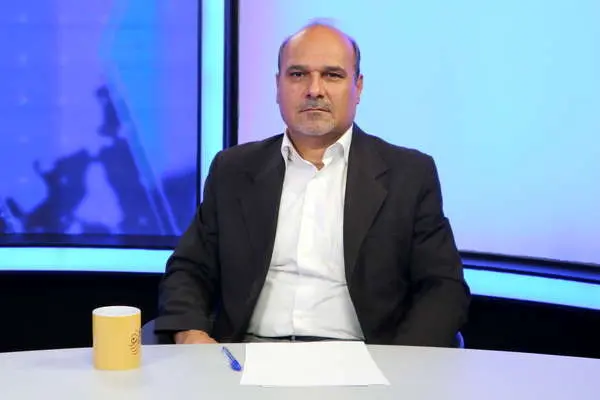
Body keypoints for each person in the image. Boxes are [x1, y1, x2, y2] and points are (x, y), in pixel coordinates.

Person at [154, 22, 470, 347]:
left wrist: (399, 363)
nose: (314, 89)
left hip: (363, 358)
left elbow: (443, 288)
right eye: (298, 74)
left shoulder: (409, 175)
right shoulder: (233, 170)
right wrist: (190, 333)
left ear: (358, 87)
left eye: (332, 75)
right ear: (277, 86)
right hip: (247, 356)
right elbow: (189, 269)